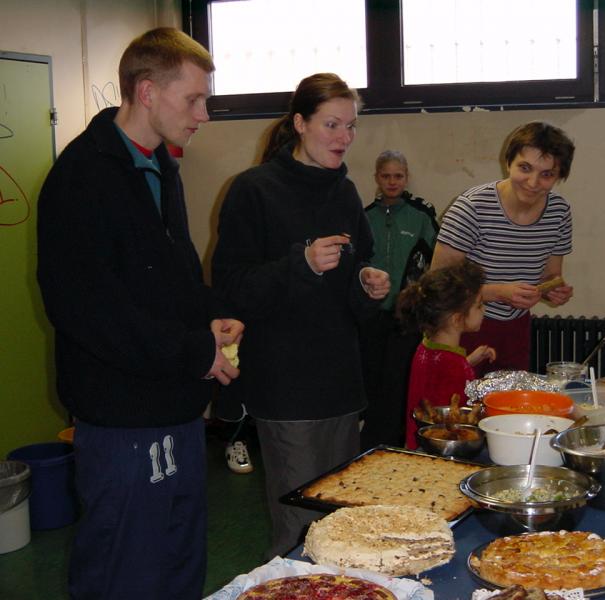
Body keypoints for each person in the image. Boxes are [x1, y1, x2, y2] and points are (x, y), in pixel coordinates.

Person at [36, 27, 243, 599]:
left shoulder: (159, 167)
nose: (203, 114)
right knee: (125, 574)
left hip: (175, 407)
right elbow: (87, 311)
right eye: (193, 99)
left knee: (178, 567)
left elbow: (174, 276)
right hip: (122, 422)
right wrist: (195, 351)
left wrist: (213, 319)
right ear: (147, 91)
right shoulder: (81, 177)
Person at [211, 73, 390, 559]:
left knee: (342, 518)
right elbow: (231, 287)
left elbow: (353, 281)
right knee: (299, 527)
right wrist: (302, 263)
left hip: (341, 382)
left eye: (350, 126)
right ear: (299, 123)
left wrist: (367, 285)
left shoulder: (345, 192)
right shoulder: (254, 190)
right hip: (286, 385)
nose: (344, 137)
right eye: (331, 124)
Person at [431, 121, 575, 377]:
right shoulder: (472, 207)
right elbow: (437, 285)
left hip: (516, 329)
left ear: (559, 176)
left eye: (547, 174)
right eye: (525, 168)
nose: (533, 182)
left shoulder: (559, 212)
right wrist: (498, 292)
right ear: (508, 162)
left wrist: (552, 290)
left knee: (511, 400)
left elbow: (551, 275)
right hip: (460, 325)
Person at [358, 150, 438, 450]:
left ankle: (398, 441)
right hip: (372, 314)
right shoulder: (365, 216)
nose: (392, 182)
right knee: (372, 377)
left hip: (408, 317)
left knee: (399, 379)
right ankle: (371, 441)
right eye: (386, 176)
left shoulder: (421, 216)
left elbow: (438, 262)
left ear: (406, 178)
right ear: (377, 178)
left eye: (398, 176)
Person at [396, 260, 496, 448]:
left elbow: (438, 381)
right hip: (439, 449)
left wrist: (468, 361)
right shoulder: (453, 365)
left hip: (416, 443)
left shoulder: (426, 346)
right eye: (479, 306)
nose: (484, 310)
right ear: (457, 319)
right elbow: (458, 416)